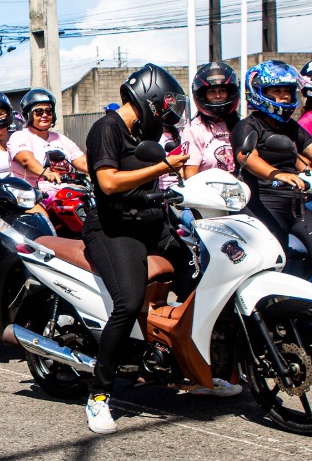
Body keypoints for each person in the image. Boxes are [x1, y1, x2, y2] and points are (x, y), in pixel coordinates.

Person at [82, 63, 220, 435]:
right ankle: (98, 397)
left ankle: (200, 369)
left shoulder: (144, 131)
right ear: (150, 97)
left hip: (151, 220)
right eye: (163, 106)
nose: (163, 115)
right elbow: (108, 183)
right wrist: (161, 166)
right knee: (127, 302)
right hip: (113, 227)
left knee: (201, 283)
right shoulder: (106, 128)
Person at [233, 61, 312, 278]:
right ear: (258, 92)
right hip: (263, 204)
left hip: (295, 204)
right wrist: (278, 174)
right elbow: (247, 157)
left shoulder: (290, 127)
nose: (284, 96)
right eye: (277, 90)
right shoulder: (248, 125)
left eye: (288, 91)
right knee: (276, 258)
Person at [8, 87, 87, 190]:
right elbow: (26, 160)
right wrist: (46, 173)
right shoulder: (20, 136)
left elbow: (83, 162)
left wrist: (104, 170)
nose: (44, 115)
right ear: (29, 115)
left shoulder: (60, 138)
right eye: (39, 111)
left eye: (48, 111)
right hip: (30, 194)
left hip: (63, 193)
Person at [181, 62, 238, 177]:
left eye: (222, 90)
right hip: (208, 192)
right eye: (211, 91)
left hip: (240, 191)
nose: (218, 96)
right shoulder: (194, 130)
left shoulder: (240, 126)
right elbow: (191, 175)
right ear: (203, 95)